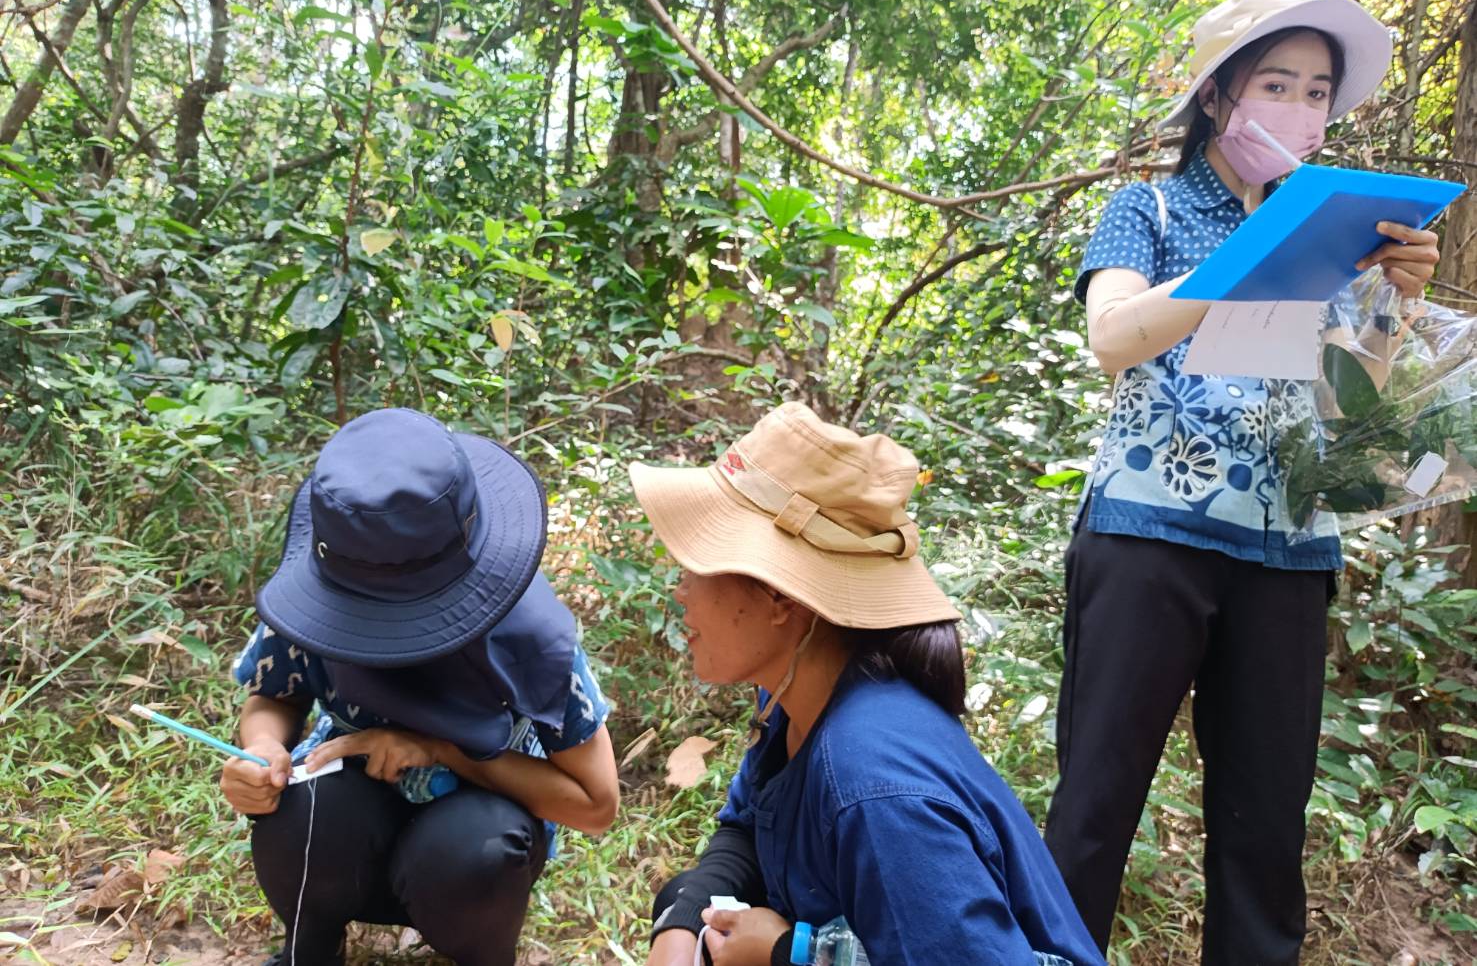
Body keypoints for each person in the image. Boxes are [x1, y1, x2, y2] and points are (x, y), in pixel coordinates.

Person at [1043, 0, 1442, 964]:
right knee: (1095, 802)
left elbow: (1355, 408)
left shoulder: (1344, 233)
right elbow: (1110, 335)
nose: (1300, 109)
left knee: (1264, 826)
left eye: (1317, 92)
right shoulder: (1150, 206)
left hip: (1287, 551)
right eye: (1277, 83)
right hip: (1147, 536)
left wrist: (1390, 298)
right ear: (1219, 96)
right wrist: (1248, 257)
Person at [634, 402, 1104, 966]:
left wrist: (792, 954)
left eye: (697, 565)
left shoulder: (874, 784)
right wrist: (685, 917)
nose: (681, 592)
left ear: (780, 596)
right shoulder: (797, 693)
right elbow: (747, 830)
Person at [219, 407, 619, 966]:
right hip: (349, 813)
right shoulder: (316, 598)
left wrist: (440, 751)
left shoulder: (529, 635)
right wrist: (262, 748)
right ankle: (310, 946)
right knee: (296, 818)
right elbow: (275, 694)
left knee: (475, 853)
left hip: (476, 829)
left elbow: (597, 804)